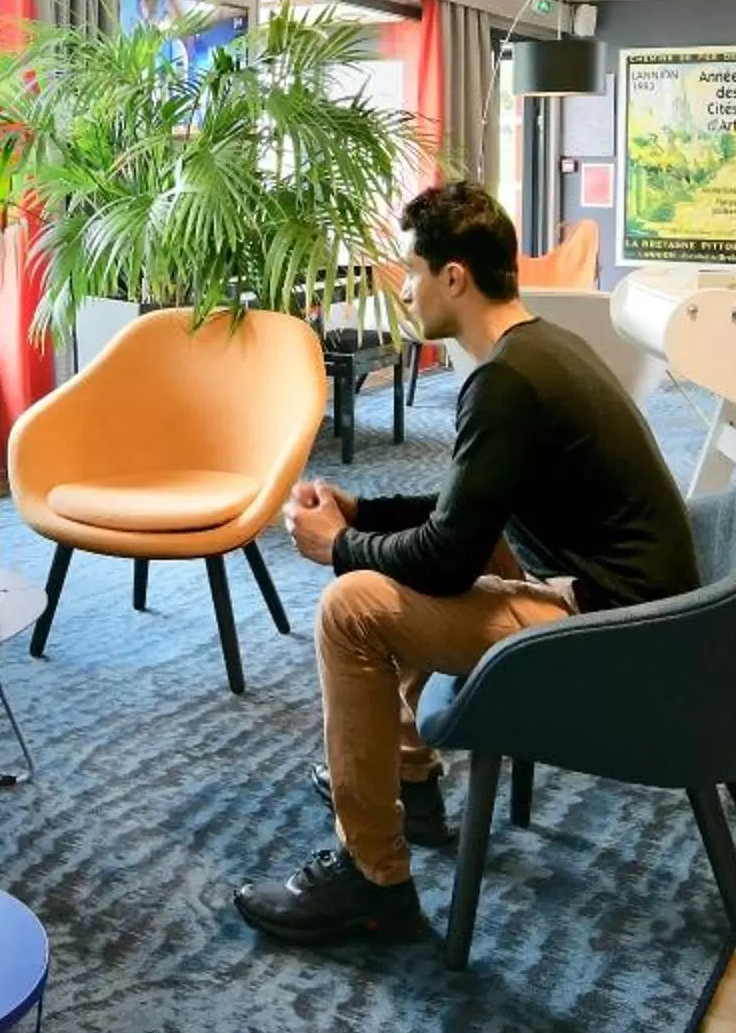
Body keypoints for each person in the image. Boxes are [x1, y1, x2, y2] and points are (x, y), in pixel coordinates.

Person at [234, 181, 700, 946]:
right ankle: (411, 784)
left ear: (455, 277)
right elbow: (468, 509)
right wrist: (365, 513)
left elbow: (446, 562)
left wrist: (337, 546)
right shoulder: (542, 346)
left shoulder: (505, 381)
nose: (405, 289)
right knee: (425, 559)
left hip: (618, 634)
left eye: (412, 271)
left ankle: (371, 879)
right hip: (633, 602)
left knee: (352, 605)